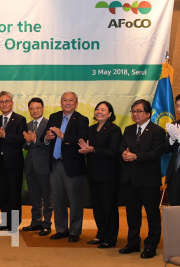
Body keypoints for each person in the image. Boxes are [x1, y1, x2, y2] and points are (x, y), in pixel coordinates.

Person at [118, 99, 164, 259]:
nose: (135, 114)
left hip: (148, 180)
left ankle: (151, 245)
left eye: (139, 111)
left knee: (152, 214)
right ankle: (133, 243)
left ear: (148, 113)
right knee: (132, 214)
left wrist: (136, 156)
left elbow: (157, 153)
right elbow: (122, 147)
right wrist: (124, 154)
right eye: (133, 111)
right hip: (130, 179)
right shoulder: (129, 129)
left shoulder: (157, 131)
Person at [42, 91, 89, 243]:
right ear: (60, 102)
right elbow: (45, 136)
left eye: (71, 100)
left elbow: (81, 140)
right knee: (57, 199)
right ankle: (61, 229)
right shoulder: (54, 117)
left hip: (73, 166)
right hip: (55, 164)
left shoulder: (82, 120)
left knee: (75, 200)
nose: (67, 103)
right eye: (64, 100)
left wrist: (63, 136)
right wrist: (47, 138)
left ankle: (75, 231)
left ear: (76, 103)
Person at [78, 101, 122, 249]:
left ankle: (110, 238)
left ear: (110, 114)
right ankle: (101, 234)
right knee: (97, 206)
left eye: (103, 110)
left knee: (108, 206)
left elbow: (113, 152)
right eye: (97, 109)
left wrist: (93, 150)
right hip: (93, 173)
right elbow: (87, 147)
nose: (99, 112)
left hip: (109, 175)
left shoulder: (114, 130)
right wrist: (86, 150)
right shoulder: (91, 129)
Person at [0, 91, 26, 231]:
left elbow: (22, 139)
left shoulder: (20, 119)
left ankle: (14, 224)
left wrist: (5, 135)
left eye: (7, 101)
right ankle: (5, 221)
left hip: (14, 163)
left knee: (14, 194)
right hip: (0, 163)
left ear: (12, 103)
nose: (4, 104)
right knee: (2, 193)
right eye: (1, 102)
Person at [21, 97, 52, 236]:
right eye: (32, 108)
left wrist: (35, 140)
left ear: (43, 108)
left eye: (37, 108)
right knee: (34, 197)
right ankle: (36, 222)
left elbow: (50, 144)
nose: (35, 111)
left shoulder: (49, 124)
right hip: (30, 167)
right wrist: (27, 142)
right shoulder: (27, 125)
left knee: (47, 197)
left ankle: (47, 225)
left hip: (44, 166)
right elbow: (24, 145)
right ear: (29, 110)